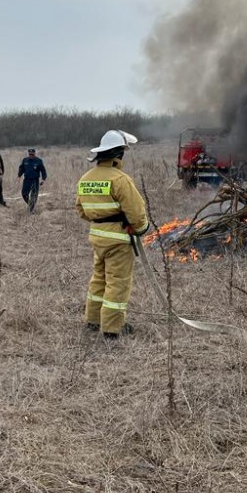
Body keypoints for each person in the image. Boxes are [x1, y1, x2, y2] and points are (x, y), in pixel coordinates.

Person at [75, 130, 148, 338]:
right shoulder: (120, 179)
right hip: (118, 240)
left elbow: (81, 210)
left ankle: (93, 320)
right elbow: (137, 213)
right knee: (118, 282)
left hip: (97, 238)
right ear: (118, 154)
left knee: (98, 279)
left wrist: (101, 220)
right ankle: (112, 328)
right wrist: (141, 229)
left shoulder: (86, 178)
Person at [17, 148, 47, 212]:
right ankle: (30, 204)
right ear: (28, 154)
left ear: (34, 154)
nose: (31, 156)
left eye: (32, 154)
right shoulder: (25, 160)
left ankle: (31, 210)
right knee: (24, 194)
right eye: (30, 154)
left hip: (35, 180)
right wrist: (19, 176)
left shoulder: (39, 161)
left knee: (34, 195)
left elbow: (43, 170)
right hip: (27, 180)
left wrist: (43, 179)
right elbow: (21, 168)